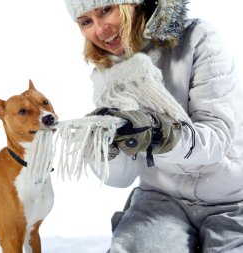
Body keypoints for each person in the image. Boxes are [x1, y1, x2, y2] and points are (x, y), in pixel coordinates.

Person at [64, 0, 243, 252]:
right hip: (161, 198)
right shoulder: (108, 74)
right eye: (86, 21)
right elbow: (123, 177)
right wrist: (108, 149)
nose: (101, 30)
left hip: (232, 199)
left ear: (133, 4)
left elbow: (216, 140)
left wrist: (158, 134)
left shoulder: (198, 39)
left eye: (106, 10)